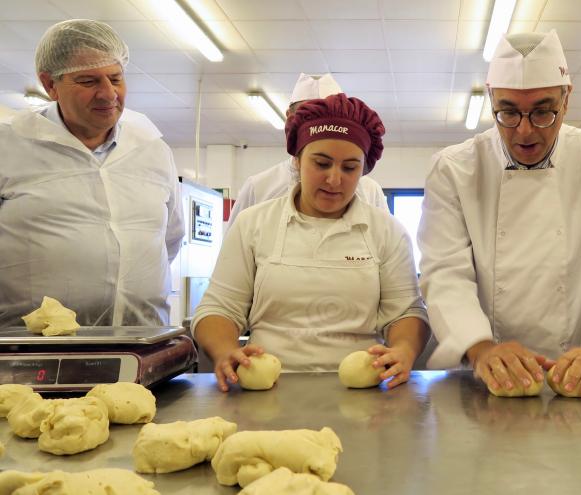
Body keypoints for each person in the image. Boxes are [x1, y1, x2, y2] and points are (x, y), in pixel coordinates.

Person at [418, 30, 581, 399]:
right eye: (509, 113)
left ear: (567, 101)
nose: (526, 130)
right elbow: (444, 271)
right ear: (490, 102)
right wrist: (482, 348)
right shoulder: (454, 168)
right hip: (486, 378)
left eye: (543, 111)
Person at [194, 94, 429, 391]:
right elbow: (219, 307)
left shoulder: (387, 231)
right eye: (321, 163)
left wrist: (404, 350)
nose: (334, 180)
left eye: (349, 168)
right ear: (297, 160)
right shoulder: (253, 224)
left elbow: (406, 311)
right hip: (265, 391)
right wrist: (224, 349)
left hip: (364, 394)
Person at [0, 19, 184, 327]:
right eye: (88, 81)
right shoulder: (10, 145)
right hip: (30, 352)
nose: (108, 94)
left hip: (140, 342)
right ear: (49, 85)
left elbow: (170, 239)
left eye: (115, 78)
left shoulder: (151, 148)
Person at [228, 73, 388, 224]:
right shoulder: (259, 187)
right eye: (307, 116)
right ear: (290, 118)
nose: (333, 180)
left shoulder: (369, 191)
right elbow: (234, 248)